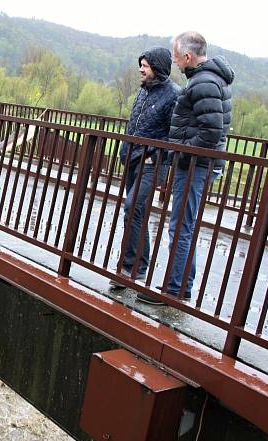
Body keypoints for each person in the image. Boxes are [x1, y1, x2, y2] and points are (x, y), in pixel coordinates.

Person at [137, 31, 235, 305]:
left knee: (180, 227)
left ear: (188, 56)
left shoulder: (204, 82)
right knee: (184, 225)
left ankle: (174, 290)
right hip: (198, 164)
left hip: (194, 166)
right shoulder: (209, 80)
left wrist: (179, 150)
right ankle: (180, 286)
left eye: (178, 57)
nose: (176, 63)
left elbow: (211, 132)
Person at [110, 47, 180, 290]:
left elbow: (176, 135)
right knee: (136, 212)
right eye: (140, 64)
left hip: (152, 163)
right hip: (132, 158)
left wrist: (156, 157)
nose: (141, 69)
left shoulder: (173, 95)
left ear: (158, 68)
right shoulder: (143, 91)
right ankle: (134, 267)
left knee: (133, 206)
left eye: (146, 66)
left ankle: (132, 268)